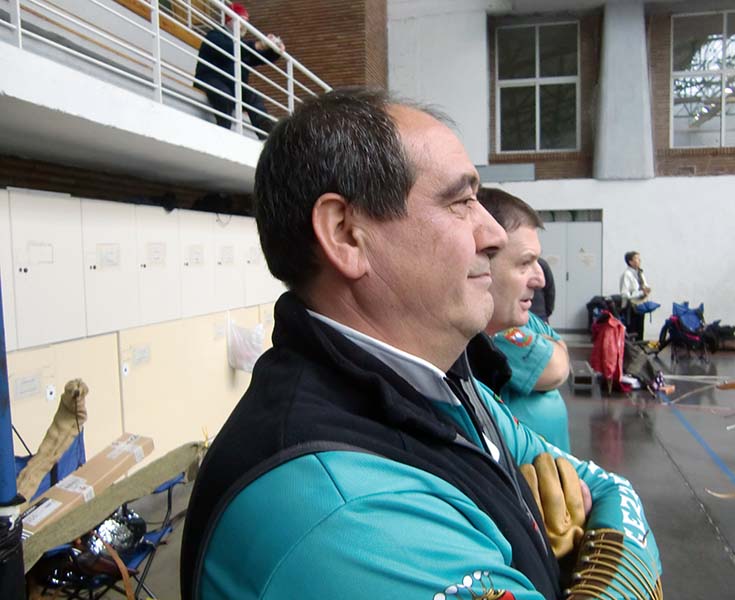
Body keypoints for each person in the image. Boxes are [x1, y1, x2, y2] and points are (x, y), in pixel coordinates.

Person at [180, 88, 662, 600]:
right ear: (346, 235)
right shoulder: (343, 511)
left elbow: (613, 488)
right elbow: (619, 512)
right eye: (461, 202)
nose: (494, 234)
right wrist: (590, 567)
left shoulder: (443, 385)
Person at [470, 187, 571, 452]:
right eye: (525, 263)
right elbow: (556, 368)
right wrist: (553, 348)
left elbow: (562, 359)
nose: (540, 279)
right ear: (479, 261)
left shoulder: (518, 318)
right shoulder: (484, 339)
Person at [194, 2, 285, 138]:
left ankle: (268, 134)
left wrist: (275, 51)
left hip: (232, 86)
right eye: (242, 21)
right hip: (211, 80)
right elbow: (230, 49)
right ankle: (224, 133)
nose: (245, 26)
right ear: (230, 20)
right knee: (224, 95)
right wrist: (258, 45)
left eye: (246, 22)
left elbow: (256, 56)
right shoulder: (215, 35)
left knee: (253, 97)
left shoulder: (241, 46)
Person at [620, 250, 651, 341]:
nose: (639, 260)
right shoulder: (627, 275)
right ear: (630, 262)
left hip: (640, 306)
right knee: (632, 331)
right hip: (630, 308)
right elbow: (625, 294)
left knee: (640, 330)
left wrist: (647, 289)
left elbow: (644, 285)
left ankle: (639, 346)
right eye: (637, 258)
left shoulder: (640, 273)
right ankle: (632, 348)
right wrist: (641, 293)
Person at [530, 256, 555, 323]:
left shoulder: (541, 263)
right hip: (540, 316)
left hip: (539, 315)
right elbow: (550, 292)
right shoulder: (541, 263)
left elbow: (550, 292)